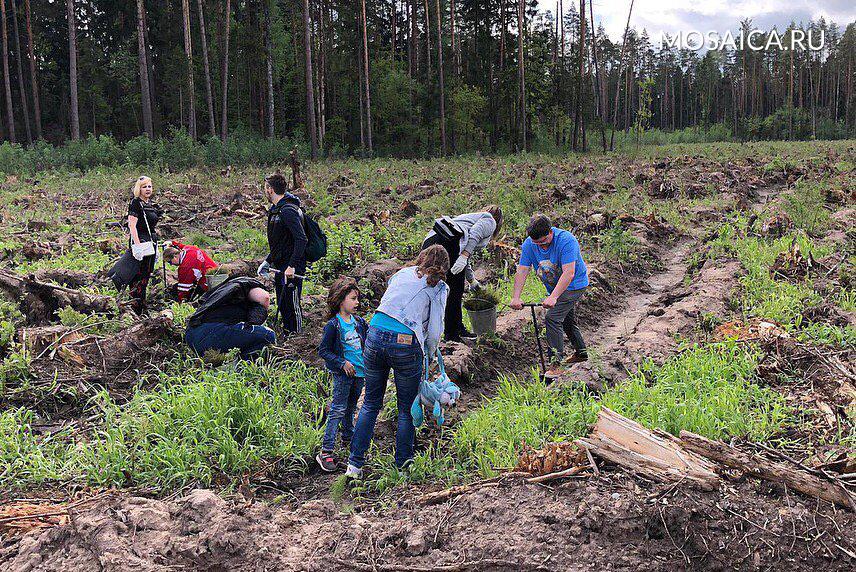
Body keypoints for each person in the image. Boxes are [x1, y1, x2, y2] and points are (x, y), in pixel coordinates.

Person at [346, 245, 450, 479]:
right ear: (445, 268)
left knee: (371, 402)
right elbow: (434, 331)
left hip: (374, 334)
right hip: (405, 342)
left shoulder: (402, 273)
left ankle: (354, 466)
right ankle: (403, 464)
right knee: (406, 407)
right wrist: (430, 354)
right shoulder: (439, 288)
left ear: (421, 257)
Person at [509, 214, 589, 378]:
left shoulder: (566, 240)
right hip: (555, 286)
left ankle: (556, 365)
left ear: (551, 232)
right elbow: (523, 269)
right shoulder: (529, 245)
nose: (541, 247)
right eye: (537, 243)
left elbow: (569, 272)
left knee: (552, 318)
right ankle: (581, 353)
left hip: (574, 285)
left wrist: (553, 297)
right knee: (565, 319)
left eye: (544, 242)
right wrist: (516, 297)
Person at [422, 205, 503, 341]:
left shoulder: (466, 218)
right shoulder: (490, 220)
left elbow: (464, 254)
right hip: (448, 243)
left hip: (432, 241)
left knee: (437, 289)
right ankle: (452, 334)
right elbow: (474, 235)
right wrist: (464, 256)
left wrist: (471, 280)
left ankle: (454, 329)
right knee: (454, 290)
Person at [316, 277, 368, 472]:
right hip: (343, 375)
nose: (357, 303)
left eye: (357, 299)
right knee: (338, 409)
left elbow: (368, 342)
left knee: (352, 406)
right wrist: (341, 362)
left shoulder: (360, 323)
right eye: (353, 299)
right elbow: (323, 350)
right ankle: (326, 451)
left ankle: (348, 436)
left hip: (360, 373)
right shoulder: (334, 326)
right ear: (340, 300)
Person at [257, 173, 307, 335]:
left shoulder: (288, 211)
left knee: (292, 305)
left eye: (265, 188)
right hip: (280, 266)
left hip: (291, 268)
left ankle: (298, 339)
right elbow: (280, 242)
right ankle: (287, 334)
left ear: (270, 190)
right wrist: (267, 261)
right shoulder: (276, 211)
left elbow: (301, 239)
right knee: (283, 302)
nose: (265, 191)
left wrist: (292, 266)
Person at [184, 277, 276, 359]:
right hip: (211, 333)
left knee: (246, 333)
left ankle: (227, 362)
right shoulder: (249, 284)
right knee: (268, 334)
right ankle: (243, 365)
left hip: (191, 335)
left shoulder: (223, 289)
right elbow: (265, 297)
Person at [121, 176, 162, 315]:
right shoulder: (136, 203)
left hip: (151, 242)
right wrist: (137, 246)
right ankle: (135, 307)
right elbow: (132, 225)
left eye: (149, 186)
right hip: (141, 242)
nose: (148, 189)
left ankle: (142, 304)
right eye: (144, 187)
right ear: (139, 189)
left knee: (146, 274)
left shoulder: (149, 204)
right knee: (137, 276)